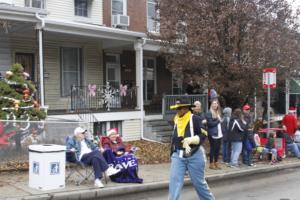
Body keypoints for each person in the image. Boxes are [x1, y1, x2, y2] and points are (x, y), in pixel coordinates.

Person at [168, 97, 215, 200]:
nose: (178, 110)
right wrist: (172, 152)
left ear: (186, 108)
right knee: (174, 183)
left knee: (199, 184)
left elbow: (204, 134)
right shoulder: (176, 120)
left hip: (195, 155)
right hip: (178, 156)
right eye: (177, 108)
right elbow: (174, 137)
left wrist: (192, 139)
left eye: (180, 108)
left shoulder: (195, 119)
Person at [206, 99, 223, 170]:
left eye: (216, 104)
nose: (215, 105)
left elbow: (220, 123)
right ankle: (211, 163)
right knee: (213, 148)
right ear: (211, 105)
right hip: (213, 133)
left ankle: (216, 162)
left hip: (219, 133)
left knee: (218, 149)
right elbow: (210, 124)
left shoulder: (218, 112)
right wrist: (218, 120)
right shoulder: (209, 113)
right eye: (213, 103)